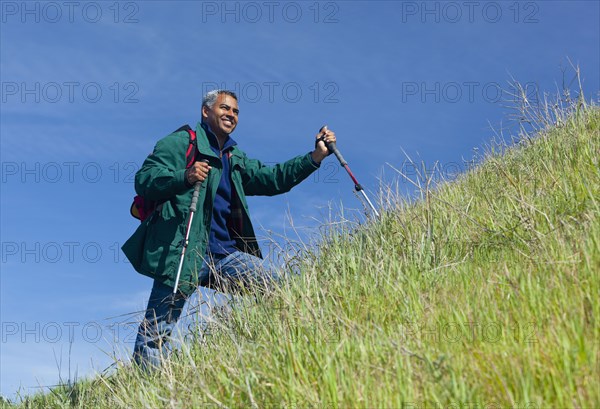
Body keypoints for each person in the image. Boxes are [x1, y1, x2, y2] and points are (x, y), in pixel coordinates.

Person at [121, 89, 336, 368]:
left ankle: (283, 357)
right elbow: (145, 179)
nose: (231, 115)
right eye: (225, 108)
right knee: (157, 329)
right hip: (183, 251)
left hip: (224, 255)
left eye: (235, 111)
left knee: (282, 291)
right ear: (206, 111)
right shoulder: (180, 142)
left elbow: (272, 179)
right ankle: (146, 390)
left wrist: (315, 157)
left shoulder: (233, 157)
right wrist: (184, 176)